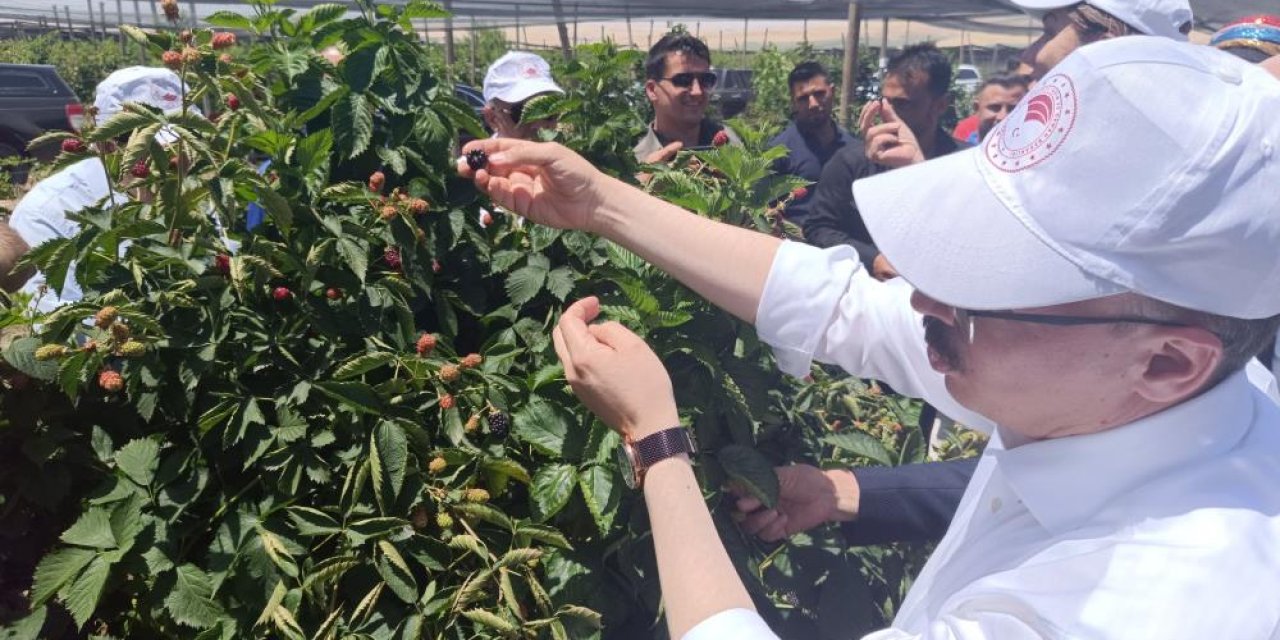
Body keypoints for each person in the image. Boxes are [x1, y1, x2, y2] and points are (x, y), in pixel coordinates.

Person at [460, 36, 1280, 639]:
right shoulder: (1146, 396)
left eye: (988, 286)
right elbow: (841, 303)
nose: (926, 293)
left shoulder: (1150, 606)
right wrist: (603, 203)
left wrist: (658, 445)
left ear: (1169, 361)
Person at [5, 67, 192, 313]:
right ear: (106, 142)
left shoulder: (197, 195)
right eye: (148, 143)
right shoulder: (48, 211)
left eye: (186, 136)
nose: (171, 155)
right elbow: (58, 323)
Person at [802, 43, 962, 281]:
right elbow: (818, 227)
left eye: (903, 104)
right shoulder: (851, 163)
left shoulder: (962, 166)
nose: (888, 113)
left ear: (940, 105)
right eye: (885, 102)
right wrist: (871, 258)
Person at [634, 31, 741, 164]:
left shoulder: (732, 146)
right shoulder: (635, 162)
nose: (697, 92)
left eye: (705, 80)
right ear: (652, 90)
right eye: (683, 80)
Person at [767, 61, 854, 224]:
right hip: (799, 244)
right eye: (803, 98)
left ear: (832, 92)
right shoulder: (778, 152)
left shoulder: (852, 148)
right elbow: (763, 210)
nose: (813, 104)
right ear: (793, 103)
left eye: (819, 94)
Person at [482, 51, 564, 141]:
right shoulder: (482, 155)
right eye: (520, 113)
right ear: (492, 118)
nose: (537, 124)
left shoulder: (564, 153)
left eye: (547, 110)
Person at [963, 73, 1030, 144]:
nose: (1003, 117)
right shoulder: (962, 154)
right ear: (976, 108)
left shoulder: (1040, 153)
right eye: (995, 107)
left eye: (1013, 109)